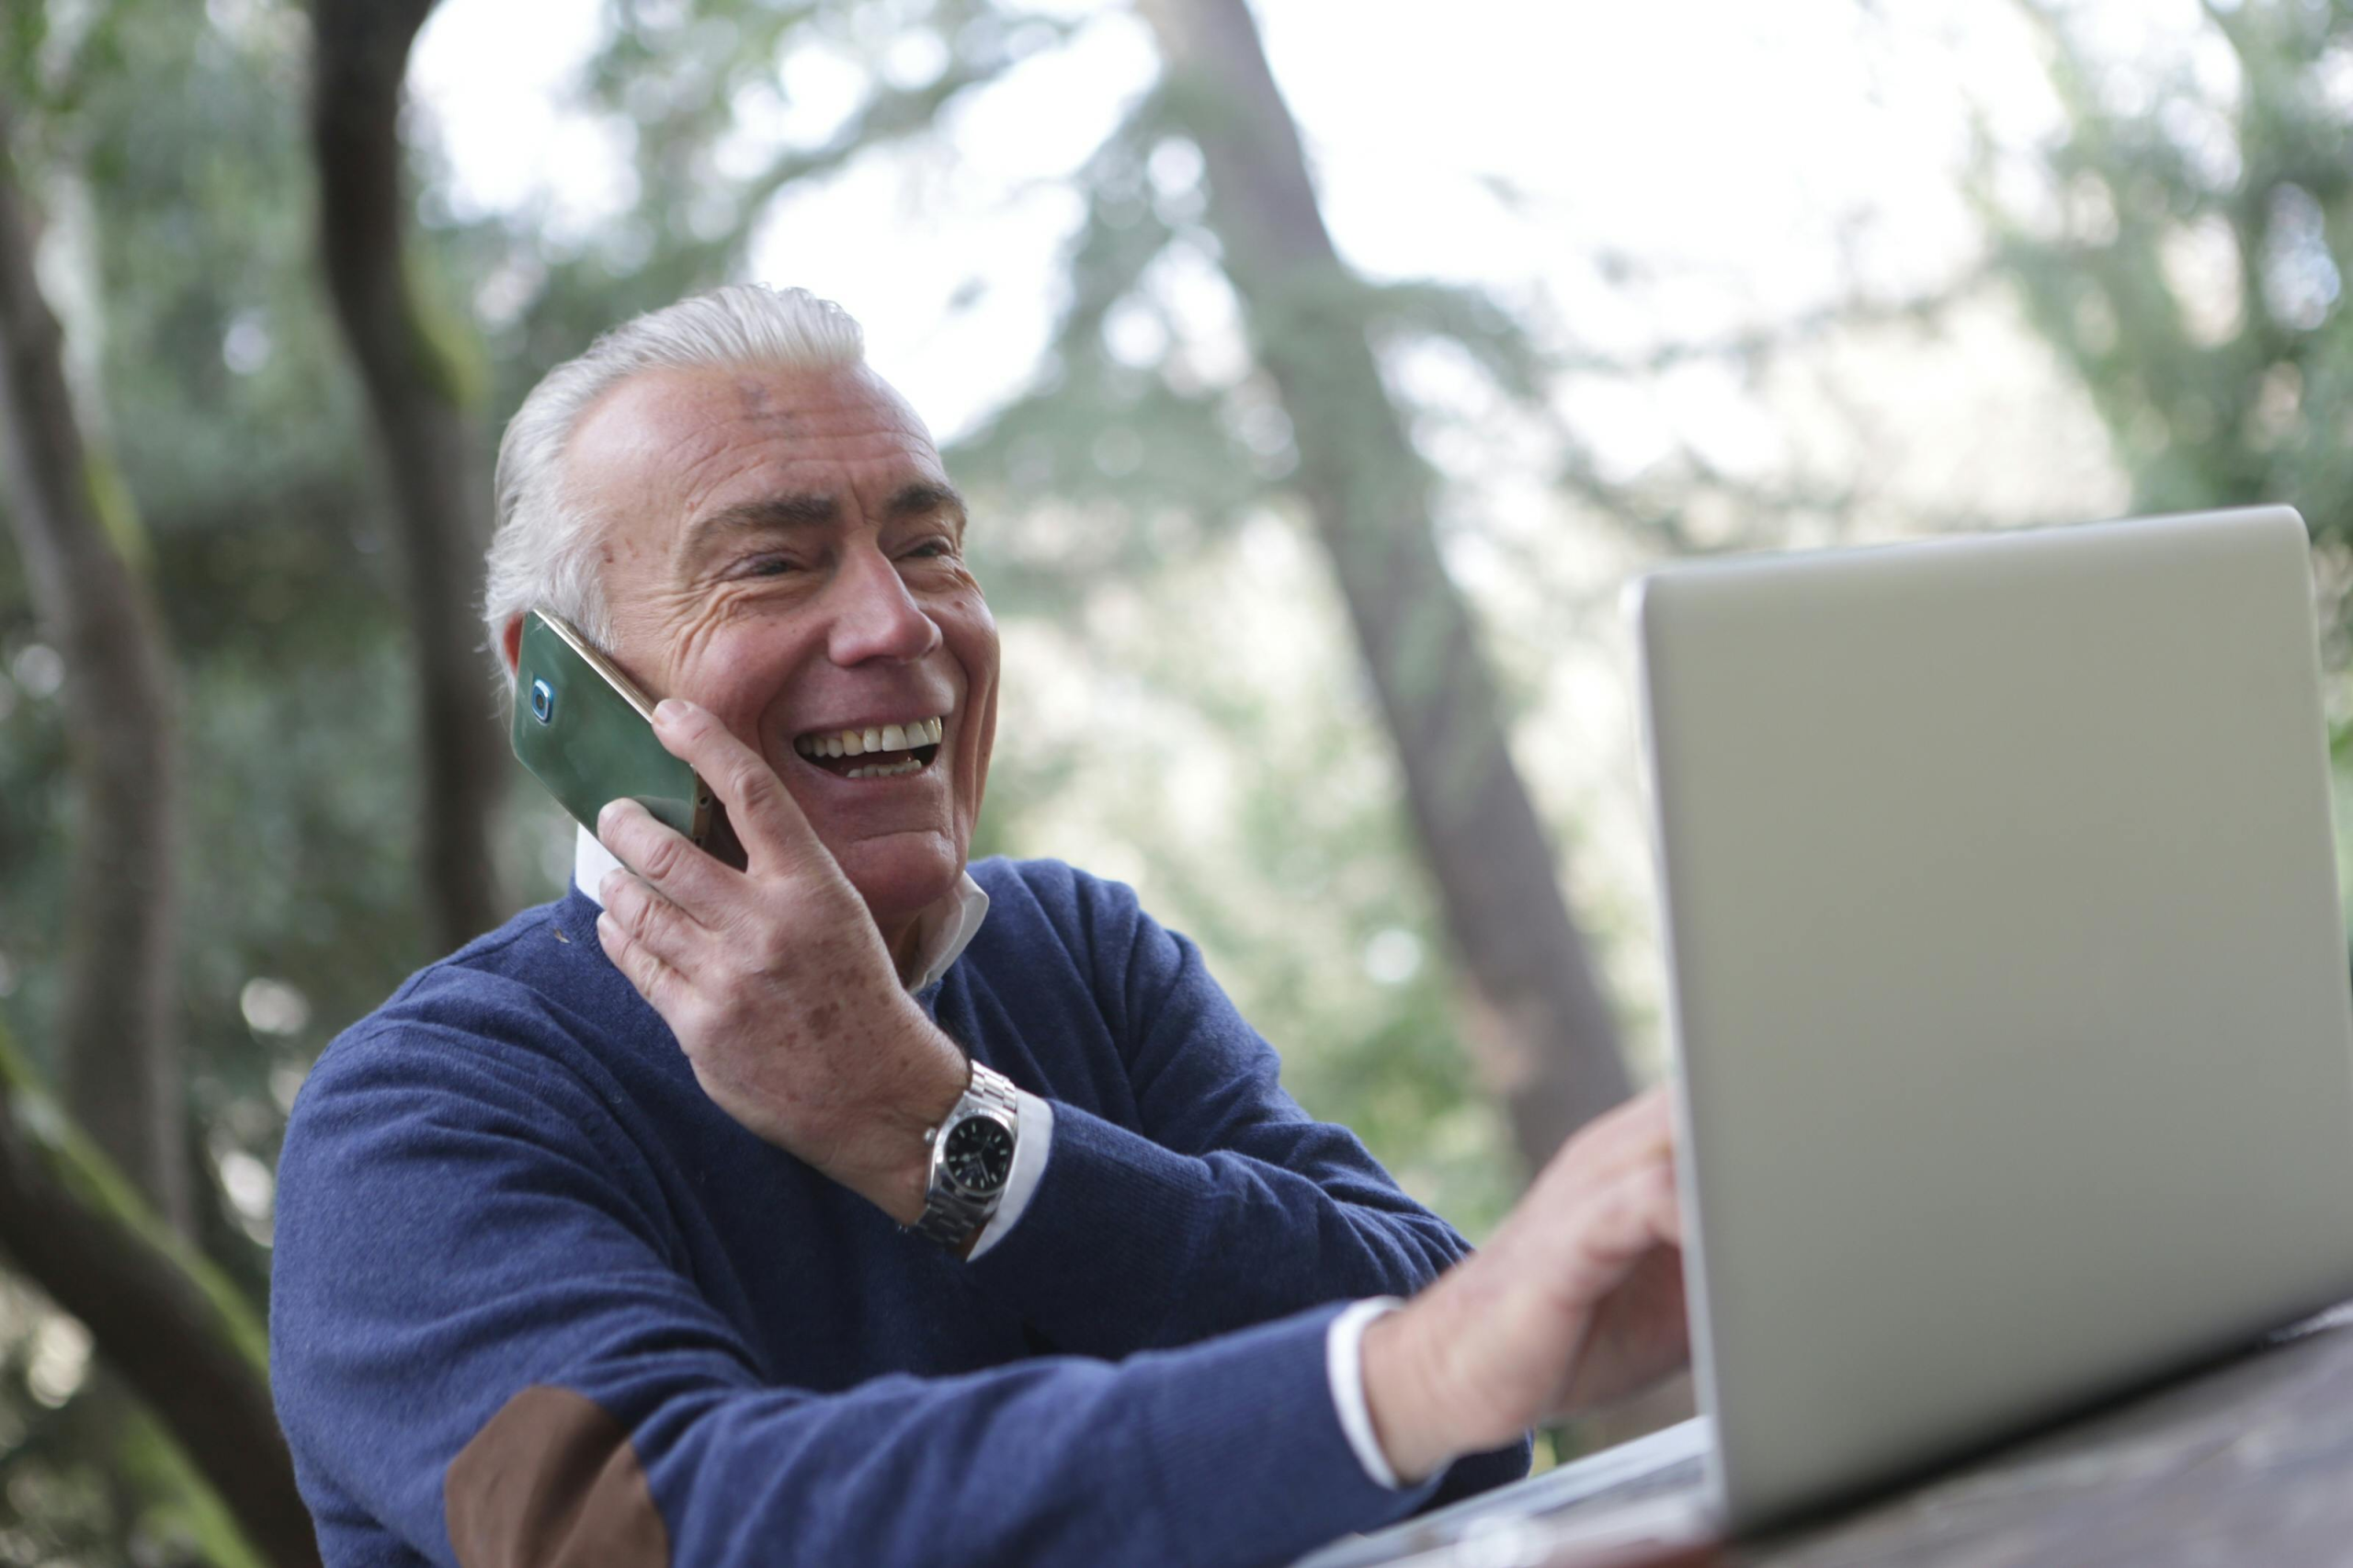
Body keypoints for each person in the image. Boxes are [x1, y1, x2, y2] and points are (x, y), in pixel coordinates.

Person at [267, 284, 1688, 1568]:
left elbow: (1475, 1388)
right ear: (556, 688)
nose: (898, 623)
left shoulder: (1078, 952)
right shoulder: (418, 1118)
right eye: (774, 562)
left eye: (931, 546)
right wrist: (1388, 1385)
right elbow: (666, 1528)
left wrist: (947, 1133)